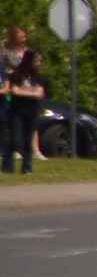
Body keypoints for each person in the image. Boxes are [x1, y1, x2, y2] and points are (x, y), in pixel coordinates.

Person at [2, 34, 44, 175]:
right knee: (14, 140)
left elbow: (39, 93)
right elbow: (14, 91)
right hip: (17, 112)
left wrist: (25, 91)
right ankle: (7, 167)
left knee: (27, 141)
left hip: (32, 112)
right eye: (37, 60)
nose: (39, 63)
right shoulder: (16, 75)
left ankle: (27, 168)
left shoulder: (38, 77)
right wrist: (30, 91)